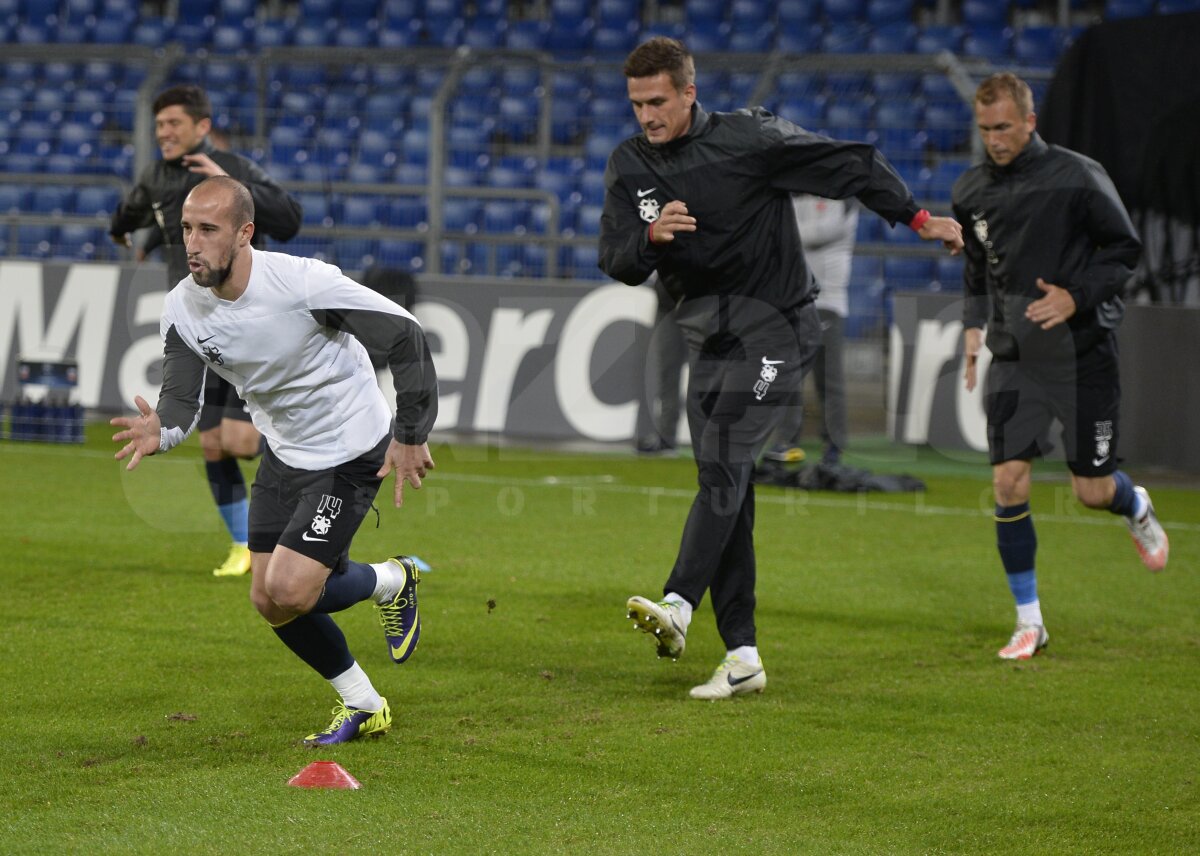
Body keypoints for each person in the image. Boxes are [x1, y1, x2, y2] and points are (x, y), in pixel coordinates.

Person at [599, 38, 963, 699]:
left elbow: (851, 164)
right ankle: (742, 656)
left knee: (729, 455)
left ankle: (679, 602)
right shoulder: (629, 166)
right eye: (636, 104)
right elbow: (615, 259)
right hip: (708, 342)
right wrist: (650, 238)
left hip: (777, 330)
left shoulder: (747, 140)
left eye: (657, 101)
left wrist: (914, 217)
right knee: (727, 487)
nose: (647, 116)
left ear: (688, 92)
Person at [111, 177, 437, 745]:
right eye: (187, 228)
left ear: (245, 233)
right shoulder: (181, 309)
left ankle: (390, 578)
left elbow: (405, 335)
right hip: (284, 452)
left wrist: (409, 433)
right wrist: (160, 431)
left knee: (291, 589)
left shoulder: (302, 283)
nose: (192, 243)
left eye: (208, 230)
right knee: (268, 599)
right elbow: (182, 402)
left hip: (349, 448)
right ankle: (365, 698)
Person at [952, 72, 1169, 661]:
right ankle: (1030, 622)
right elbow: (977, 267)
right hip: (1016, 357)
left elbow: (1124, 249)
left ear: (1029, 121)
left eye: (1003, 128)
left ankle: (1134, 504)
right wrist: (974, 327)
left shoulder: (1077, 175)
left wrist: (1075, 294)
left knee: (1091, 491)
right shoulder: (971, 190)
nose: (994, 140)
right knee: (1007, 481)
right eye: (984, 129)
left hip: (1082, 353)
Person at [110, 84, 303, 579]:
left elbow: (288, 218)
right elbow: (135, 211)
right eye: (158, 126)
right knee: (213, 445)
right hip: (197, 327)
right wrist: (139, 236)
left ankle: (321, 490)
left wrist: (225, 178)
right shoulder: (156, 176)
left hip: (248, 322)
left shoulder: (232, 168)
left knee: (242, 441)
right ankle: (243, 544)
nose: (164, 134)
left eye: (174, 124)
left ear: (202, 126)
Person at [764, 195, 859, 465]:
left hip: (827, 300)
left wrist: (786, 231)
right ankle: (785, 441)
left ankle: (834, 445)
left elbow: (816, 233)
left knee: (828, 378)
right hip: (792, 298)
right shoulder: (796, 193)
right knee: (787, 375)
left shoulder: (845, 197)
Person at [634, 272, 687, 455]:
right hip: (668, 305)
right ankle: (666, 438)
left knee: (705, 372)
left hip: (702, 304)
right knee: (668, 372)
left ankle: (710, 440)